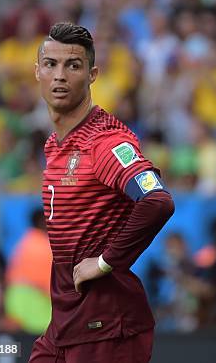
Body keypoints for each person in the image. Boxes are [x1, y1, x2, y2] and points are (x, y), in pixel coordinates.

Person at [29, 22, 175, 363]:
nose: (60, 75)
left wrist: (106, 262)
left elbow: (157, 200)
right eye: (51, 64)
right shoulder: (55, 145)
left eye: (73, 65)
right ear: (37, 72)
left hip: (107, 323)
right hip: (66, 321)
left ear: (93, 74)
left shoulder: (106, 143)